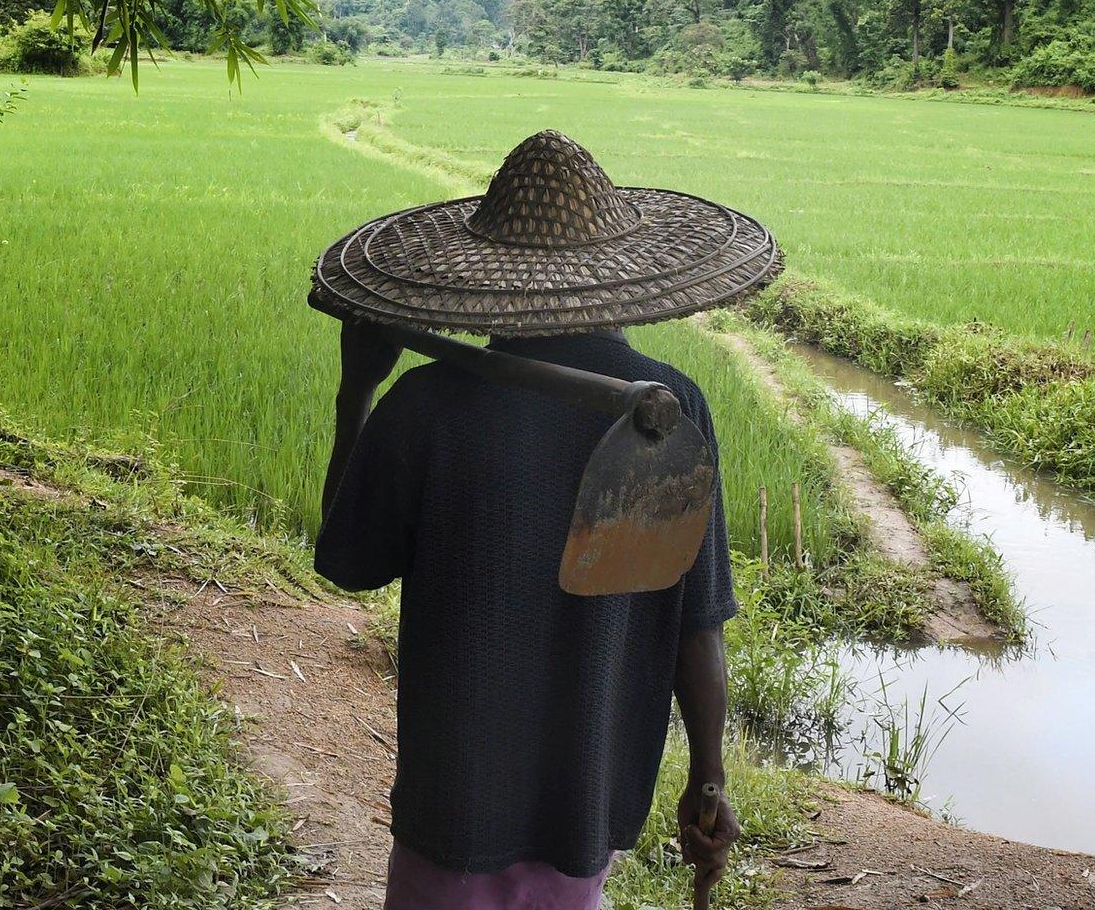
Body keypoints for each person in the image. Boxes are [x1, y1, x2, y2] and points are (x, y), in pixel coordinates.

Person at [308, 130, 782, 909]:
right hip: (584, 809)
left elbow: (345, 561)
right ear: (624, 281)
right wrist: (710, 776)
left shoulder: (425, 405)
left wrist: (355, 392)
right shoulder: (671, 409)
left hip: (451, 808)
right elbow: (699, 622)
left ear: (485, 280)